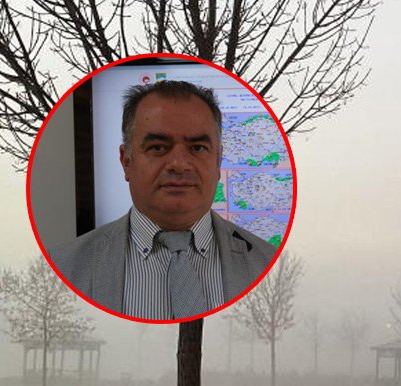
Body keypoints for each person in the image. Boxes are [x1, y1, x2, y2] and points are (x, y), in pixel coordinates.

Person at [49, 80, 278, 320]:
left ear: (218, 160)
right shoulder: (62, 267)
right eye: (158, 147)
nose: (179, 164)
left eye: (198, 148)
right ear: (126, 160)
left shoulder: (269, 264)